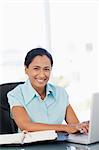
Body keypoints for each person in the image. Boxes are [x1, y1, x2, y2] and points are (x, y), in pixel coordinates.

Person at [7, 48, 89, 134]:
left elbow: (74, 125)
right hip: (30, 146)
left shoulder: (60, 93)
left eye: (46, 69)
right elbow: (25, 126)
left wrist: (83, 126)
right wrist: (64, 127)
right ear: (26, 70)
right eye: (36, 68)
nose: (42, 75)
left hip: (58, 145)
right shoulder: (16, 94)